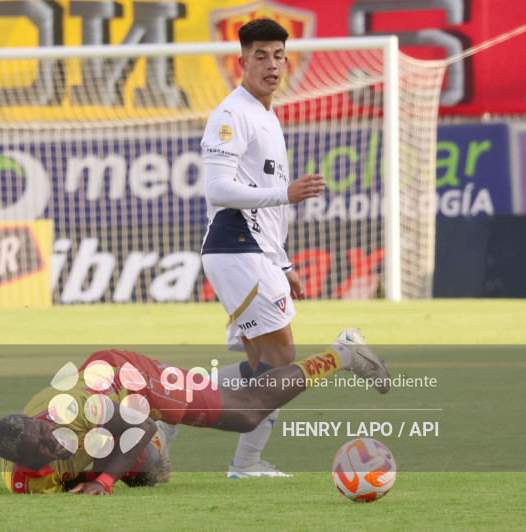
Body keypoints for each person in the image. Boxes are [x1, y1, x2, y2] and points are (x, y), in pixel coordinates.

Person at [0, 328, 389, 496]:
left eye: (46, 433)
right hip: (113, 410)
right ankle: (218, 393)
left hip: (130, 380)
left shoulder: (74, 410)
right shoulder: (25, 483)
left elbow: (140, 425)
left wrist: (106, 482)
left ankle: (344, 352)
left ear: (40, 420)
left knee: (248, 413)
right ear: (20, 463)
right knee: (152, 475)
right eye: (42, 450)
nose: (53, 443)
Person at [199, 18, 326, 477]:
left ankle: (166, 403)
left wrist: (284, 262)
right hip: (235, 248)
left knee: (262, 367)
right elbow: (219, 191)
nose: (272, 65)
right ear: (242, 62)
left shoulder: (267, 113)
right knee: (280, 363)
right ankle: (245, 464)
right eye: (260, 56)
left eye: (278, 55)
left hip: (255, 251)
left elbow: (264, 202)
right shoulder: (232, 114)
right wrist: (285, 193)